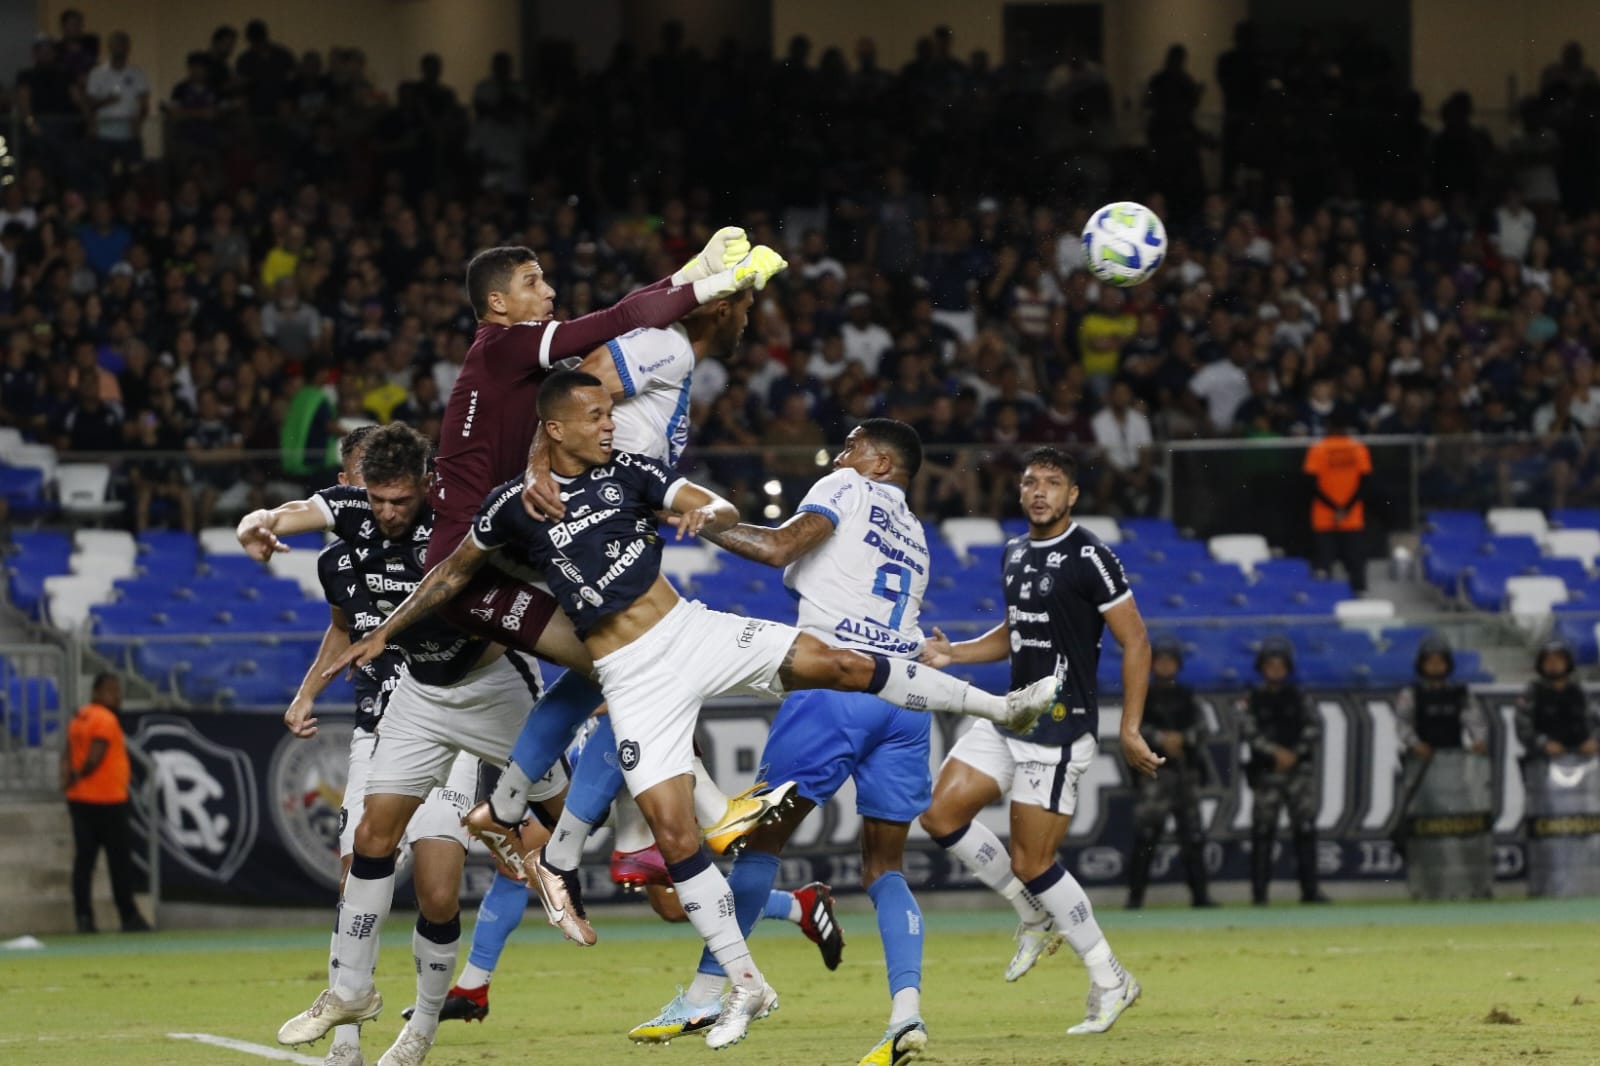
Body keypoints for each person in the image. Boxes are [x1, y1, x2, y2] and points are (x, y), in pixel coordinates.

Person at [326, 371, 1059, 1050]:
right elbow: (452, 569)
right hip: (630, 676)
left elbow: (714, 506)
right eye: (594, 415)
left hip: (693, 630)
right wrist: (386, 632)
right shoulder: (512, 506)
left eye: (610, 411)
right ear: (555, 429)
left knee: (838, 663)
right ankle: (742, 983)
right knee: (678, 837)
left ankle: (1001, 708)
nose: (609, 423)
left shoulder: (631, 472)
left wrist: (707, 512)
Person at [627, 420, 938, 1065]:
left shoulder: (847, 485)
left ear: (879, 462)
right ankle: (906, 1015)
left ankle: (707, 991)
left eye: (852, 446)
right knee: (885, 867)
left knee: (757, 843)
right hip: (906, 699)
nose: (840, 455)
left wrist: (699, 518)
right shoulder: (916, 535)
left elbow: (776, 548)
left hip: (837, 690)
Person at [264, 425, 565, 1066]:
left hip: (477, 697)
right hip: (398, 712)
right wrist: (308, 691)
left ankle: (423, 1026)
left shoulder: (451, 526)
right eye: (363, 492)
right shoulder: (340, 557)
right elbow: (343, 625)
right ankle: (348, 1019)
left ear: (423, 485)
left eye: (392, 497)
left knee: (442, 887)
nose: (375, 507)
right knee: (360, 859)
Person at [917, 446, 1159, 1036]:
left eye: (1052, 482)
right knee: (939, 816)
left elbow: (1137, 642)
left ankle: (1110, 978)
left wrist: (1129, 726)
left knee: (1033, 861)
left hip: (1058, 724)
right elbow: (1016, 630)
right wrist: (955, 653)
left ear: (1072, 495)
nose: (1039, 491)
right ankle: (1031, 913)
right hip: (1011, 713)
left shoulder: (1091, 557)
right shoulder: (1015, 550)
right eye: (1030, 482)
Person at [1394, 635, 1492, 899]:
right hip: (1422, 770)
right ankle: (1427, 887)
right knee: (1427, 829)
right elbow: (1403, 725)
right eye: (1430, 662)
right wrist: (1415, 744)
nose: (1436, 667)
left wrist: (1479, 742)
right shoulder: (1411, 694)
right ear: (1421, 664)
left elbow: (1476, 722)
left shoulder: (1461, 693)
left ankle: (1470, 886)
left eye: (1440, 662)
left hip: (1454, 766)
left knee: (1461, 826)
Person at [1126, 637, 1215, 909]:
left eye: (1170, 661)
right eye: (1160, 661)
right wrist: (1161, 738)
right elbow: (1133, 727)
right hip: (1154, 774)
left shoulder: (1188, 696)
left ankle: (1200, 896)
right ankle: (1135, 898)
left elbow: (1202, 727)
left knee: (1192, 836)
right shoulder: (1143, 695)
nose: (1165, 666)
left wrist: (1182, 739)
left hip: (1185, 773)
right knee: (1146, 835)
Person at [1240, 638, 1328, 906]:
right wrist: (1275, 753)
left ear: (1288, 668)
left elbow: (1315, 727)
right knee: (1263, 831)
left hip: (1298, 772)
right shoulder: (1252, 700)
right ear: (1262, 668)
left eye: (1280, 665)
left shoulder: (1300, 698)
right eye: (1270, 665)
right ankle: (1259, 895)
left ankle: (1310, 892)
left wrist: (1295, 753)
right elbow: (1249, 732)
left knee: (1305, 828)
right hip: (1267, 773)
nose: (1276, 670)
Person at [62, 672, 149, 934]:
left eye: (118, 690)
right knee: (118, 862)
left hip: (80, 799)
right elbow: (95, 755)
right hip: (107, 800)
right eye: (111, 690)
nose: (117, 696)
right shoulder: (105, 718)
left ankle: (84, 916)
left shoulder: (79, 717)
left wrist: (67, 780)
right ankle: (128, 915)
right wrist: (81, 774)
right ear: (97, 692)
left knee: (84, 862)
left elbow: (67, 752)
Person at [1303, 410, 1372, 594]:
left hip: (1325, 515)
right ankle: (1359, 594)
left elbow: (1312, 485)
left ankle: (1324, 597)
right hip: (1351, 514)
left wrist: (1334, 508)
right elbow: (1364, 484)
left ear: (1328, 427)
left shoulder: (1318, 449)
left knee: (1324, 561)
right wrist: (1345, 508)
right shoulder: (1359, 449)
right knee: (1355, 560)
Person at [1515, 640, 1600, 761]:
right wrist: (1543, 744)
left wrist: (1595, 741)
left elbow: (1596, 720)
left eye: (1558, 660)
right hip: (1543, 759)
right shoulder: (1532, 693)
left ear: (1567, 663)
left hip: (1581, 756)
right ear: (1541, 664)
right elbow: (1523, 726)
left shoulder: (1580, 692)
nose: (1553, 664)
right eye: (1548, 660)